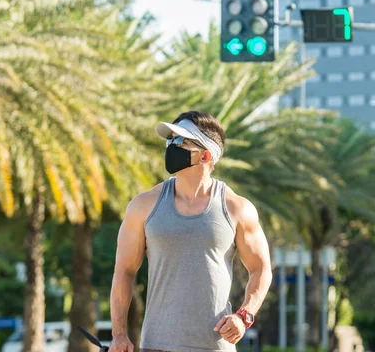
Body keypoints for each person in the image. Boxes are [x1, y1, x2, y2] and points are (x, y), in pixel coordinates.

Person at [108, 111, 273, 352]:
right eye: (169, 141)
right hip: (156, 345)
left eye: (180, 142)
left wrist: (244, 315)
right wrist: (118, 334)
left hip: (216, 347)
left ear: (205, 155)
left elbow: (261, 269)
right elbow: (124, 270)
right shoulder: (144, 205)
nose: (170, 147)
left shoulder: (237, 208)